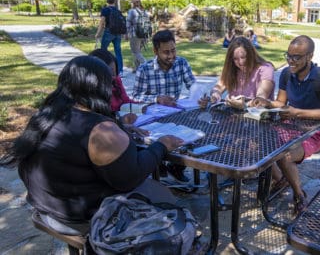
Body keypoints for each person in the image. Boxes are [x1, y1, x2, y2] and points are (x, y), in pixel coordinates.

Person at [1, 56, 183, 234]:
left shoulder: (45, 115)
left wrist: (121, 128)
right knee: (163, 195)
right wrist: (161, 145)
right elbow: (129, 179)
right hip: (80, 219)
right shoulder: (100, 130)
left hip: (44, 207)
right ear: (100, 88)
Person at [252, 35, 320, 214]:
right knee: (256, 140)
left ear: (310, 56)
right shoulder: (286, 73)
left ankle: (299, 194)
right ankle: (280, 178)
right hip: (288, 126)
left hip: (313, 133)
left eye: (296, 57)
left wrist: (296, 112)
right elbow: (281, 102)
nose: (291, 61)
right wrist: (265, 102)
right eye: (288, 56)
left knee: (286, 154)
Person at [132, 29, 195, 182]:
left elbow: (192, 85)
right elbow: (135, 97)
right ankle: (159, 165)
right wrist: (157, 98)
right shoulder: (144, 70)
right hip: (154, 119)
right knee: (153, 142)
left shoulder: (181, 63)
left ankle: (176, 167)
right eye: (166, 52)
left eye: (173, 50)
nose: (171, 56)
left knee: (192, 133)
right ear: (155, 51)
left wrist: (200, 95)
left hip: (177, 115)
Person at [200, 36, 275, 109]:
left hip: (259, 118)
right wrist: (214, 96)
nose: (240, 62)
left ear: (251, 54)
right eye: (235, 59)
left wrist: (245, 104)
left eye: (243, 57)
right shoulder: (233, 68)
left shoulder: (266, 68)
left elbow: (261, 98)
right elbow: (219, 86)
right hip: (233, 116)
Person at [95, 0, 124, 75]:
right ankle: (120, 71)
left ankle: (103, 69)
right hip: (117, 33)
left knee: (103, 51)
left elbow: (102, 22)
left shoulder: (105, 10)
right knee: (118, 51)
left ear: (107, 2)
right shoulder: (118, 10)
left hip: (109, 32)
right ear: (114, 1)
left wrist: (98, 33)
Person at [126, 0, 147, 72]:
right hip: (143, 34)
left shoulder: (131, 11)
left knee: (135, 51)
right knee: (138, 51)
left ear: (133, 3)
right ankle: (136, 68)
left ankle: (146, 65)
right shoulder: (144, 11)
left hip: (134, 34)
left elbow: (128, 23)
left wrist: (126, 34)